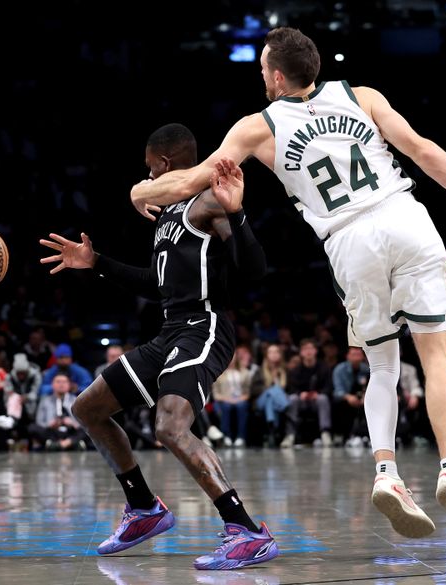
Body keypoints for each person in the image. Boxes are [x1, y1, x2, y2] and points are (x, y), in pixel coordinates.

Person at [130, 27, 446, 540]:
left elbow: (190, 180)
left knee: (382, 363)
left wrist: (142, 188)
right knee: (436, 357)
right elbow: (424, 151)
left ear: (274, 74)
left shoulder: (257, 127)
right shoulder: (363, 96)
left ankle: (388, 474)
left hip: (348, 239)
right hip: (405, 217)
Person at [38, 123, 277, 570]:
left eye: (149, 170)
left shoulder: (208, 200)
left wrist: (239, 214)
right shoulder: (167, 217)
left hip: (206, 327)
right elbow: (156, 283)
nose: (146, 179)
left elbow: (255, 271)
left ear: (164, 165)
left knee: (169, 425)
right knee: (88, 408)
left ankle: (246, 529)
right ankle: (144, 509)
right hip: (170, 331)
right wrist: (96, 263)